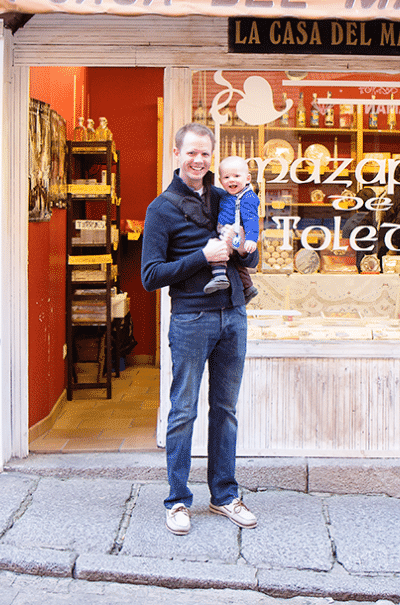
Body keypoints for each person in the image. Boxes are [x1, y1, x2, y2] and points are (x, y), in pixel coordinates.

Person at [140, 123, 260, 537]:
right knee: (184, 412)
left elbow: (249, 261)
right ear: (176, 154)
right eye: (191, 152)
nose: (199, 161)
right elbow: (151, 276)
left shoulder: (226, 196)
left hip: (233, 314)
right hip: (191, 318)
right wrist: (201, 255)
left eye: (205, 154)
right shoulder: (161, 208)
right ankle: (176, 500)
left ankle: (224, 495)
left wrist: (248, 248)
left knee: (225, 412)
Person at [204, 155, 260, 303]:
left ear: (247, 178)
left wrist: (250, 239)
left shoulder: (246, 198)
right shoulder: (226, 196)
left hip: (232, 232)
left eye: (236, 176)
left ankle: (219, 276)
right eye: (226, 177)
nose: (231, 180)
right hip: (227, 229)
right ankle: (248, 288)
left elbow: (252, 220)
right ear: (221, 181)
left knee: (218, 248)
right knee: (234, 260)